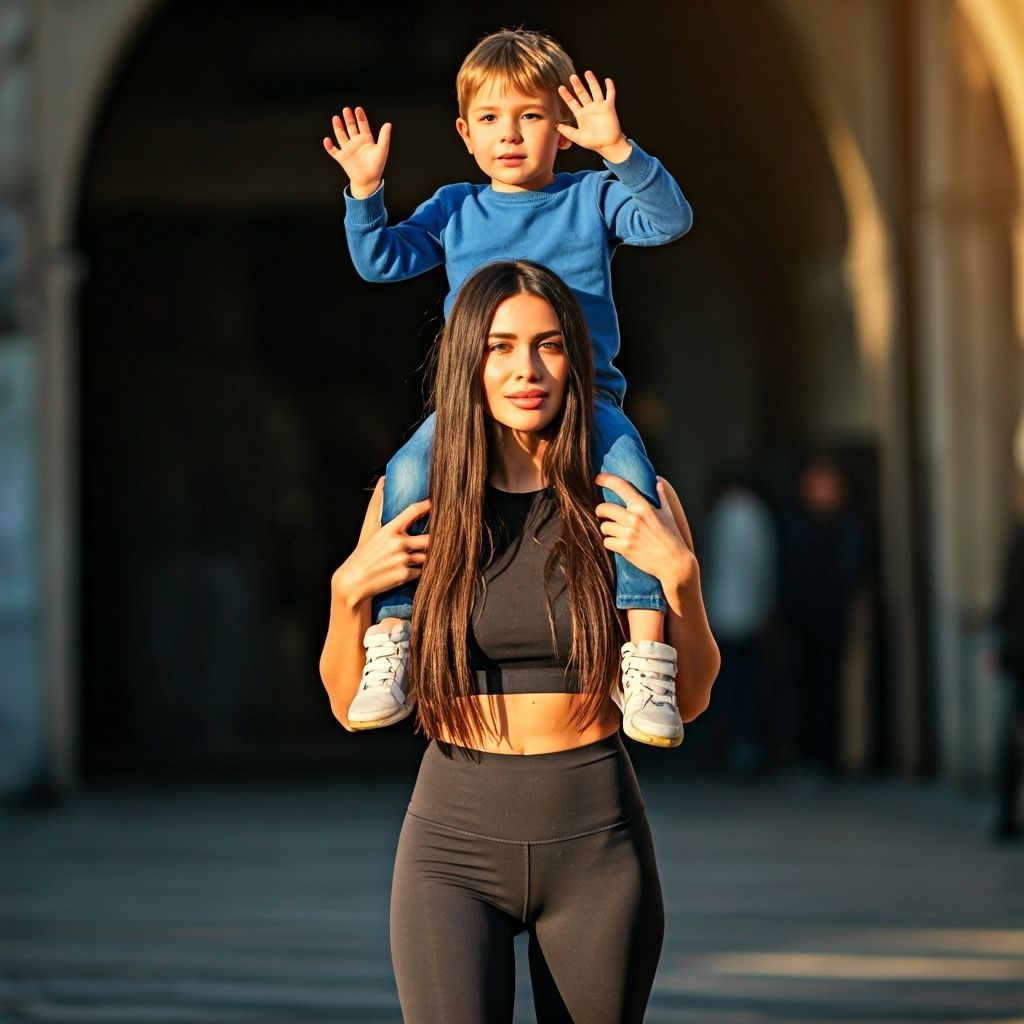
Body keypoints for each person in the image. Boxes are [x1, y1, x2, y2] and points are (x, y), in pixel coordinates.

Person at [319, 261, 719, 1022]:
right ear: (467, 364)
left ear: (577, 361)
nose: (526, 370)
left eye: (549, 345)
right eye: (500, 347)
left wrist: (682, 579)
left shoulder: (634, 501)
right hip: (450, 848)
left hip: (597, 841)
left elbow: (691, 698)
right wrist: (347, 594)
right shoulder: (413, 503)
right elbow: (346, 703)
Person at [323, 28, 693, 745]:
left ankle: (646, 659)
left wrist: (618, 150)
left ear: (563, 126)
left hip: (586, 399)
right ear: (465, 134)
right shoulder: (455, 208)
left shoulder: (591, 197)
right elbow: (380, 261)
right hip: (473, 405)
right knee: (406, 473)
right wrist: (364, 193)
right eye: (491, 118)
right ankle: (393, 638)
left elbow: (669, 220)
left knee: (632, 481)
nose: (511, 134)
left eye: (530, 115)